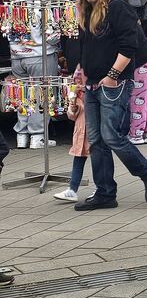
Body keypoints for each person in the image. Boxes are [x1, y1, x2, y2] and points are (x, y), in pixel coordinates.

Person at [73, 0, 147, 211]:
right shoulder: (88, 8)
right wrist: (81, 73)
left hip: (115, 81)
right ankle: (105, 193)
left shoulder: (117, 5)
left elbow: (129, 44)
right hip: (93, 81)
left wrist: (113, 76)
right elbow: (87, 45)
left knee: (111, 135)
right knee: (96, 140)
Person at [10, 0, 61, 149]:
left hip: (17, 57)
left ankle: (22, 134)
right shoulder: (44, 7)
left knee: (23, 94)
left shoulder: (15, 6)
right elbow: (51, 36)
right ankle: (38, 135)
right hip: (40, 56)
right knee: (42, 95)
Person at [54, 66, 89, 203]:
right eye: (76, 81)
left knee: (100, 159)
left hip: (92, 131)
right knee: (78, 159)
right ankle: (72, 189)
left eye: (80, 81)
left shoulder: (92, 95)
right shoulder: (76, 95)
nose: (78, 84)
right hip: (80, 132)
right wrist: (73, 102)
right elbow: (72, 116)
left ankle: (101, 187)